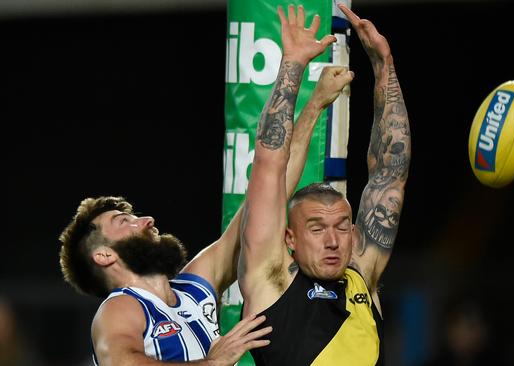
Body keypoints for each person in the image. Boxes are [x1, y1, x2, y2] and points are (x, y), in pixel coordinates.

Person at [57, 64, 354, 365]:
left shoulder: (194, 288)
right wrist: (211, 364)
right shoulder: (120, 308)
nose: (146, 221)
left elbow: (269, 194)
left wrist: (314, 105)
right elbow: (120, 364)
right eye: (124, 222)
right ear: (104, 255)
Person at [238, 3, 410, 365]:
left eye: (342, 227)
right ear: (290, 239)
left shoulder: (361, 275)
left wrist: (384, 67)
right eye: (316, 229)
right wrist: (294, 64)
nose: (333, 241)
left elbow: (390, 172)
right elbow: (269, 164)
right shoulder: (272, 279)